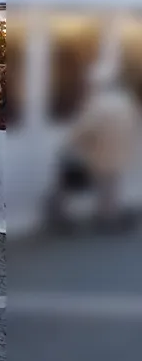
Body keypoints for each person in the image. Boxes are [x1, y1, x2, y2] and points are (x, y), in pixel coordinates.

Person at [45, 60, 142, 233]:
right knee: (109, 185)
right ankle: (108, 216)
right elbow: (133, 125)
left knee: (72, 181)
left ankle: (60, 210)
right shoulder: (126, 102)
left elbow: (85, 128)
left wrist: (67, 144)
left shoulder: (99, 104)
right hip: (119, 154)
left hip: (98, 153)